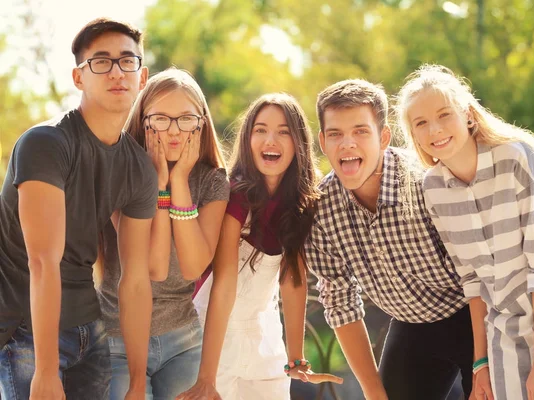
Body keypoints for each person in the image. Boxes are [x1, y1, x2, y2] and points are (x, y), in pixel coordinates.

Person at [396, 64, 534, 400]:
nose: (434, 129)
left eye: (444, 114)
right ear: (414, 135)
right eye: (421, 123)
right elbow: (473, 281)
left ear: (469, 115)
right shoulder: (434, 189)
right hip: (510, 327)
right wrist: (480, 363)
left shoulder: (518, 158)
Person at [0, 18, 157, 399]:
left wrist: (138, 382)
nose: (117, 72)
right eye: (100, 62)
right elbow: (42, 262)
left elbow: (135, 280)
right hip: (26, 330)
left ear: (142, 75)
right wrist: (45, 370)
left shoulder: (138, 167)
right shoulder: (46, 144)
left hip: (88, 326)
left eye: (127, 61)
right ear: (78, 78)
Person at [305, 79, 474, 400]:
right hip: (411, 324)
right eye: (336, 134)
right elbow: (340, 302)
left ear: (384, 138)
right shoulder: (320, 208)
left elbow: (480, 271)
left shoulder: (427, 182)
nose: (347, 143)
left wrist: (483, 362)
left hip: (472, 312)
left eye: (360, 131)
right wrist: (373, 391)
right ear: (323, 142)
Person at [185, 93, 341, 400]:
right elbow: (225, 283)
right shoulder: (235, 195)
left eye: (284, 131)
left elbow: (293, 281)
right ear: (247, 139)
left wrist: (295, 359)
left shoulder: (300, 204)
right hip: (212, 331)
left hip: (264, 333)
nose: (271, 139)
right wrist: (206, 376)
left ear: (298, 143)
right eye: (260, 130)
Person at [96, 68, 229, 399]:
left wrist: (179, 181)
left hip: (183, 339)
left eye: (186, 119)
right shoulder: (119, 174)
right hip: (117, 339)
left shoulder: (213, 181)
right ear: (143, 121)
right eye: (161, 119)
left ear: (201, 124)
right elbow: (152, 267)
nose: (173, 131)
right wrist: (156, 183)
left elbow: (192, 267)